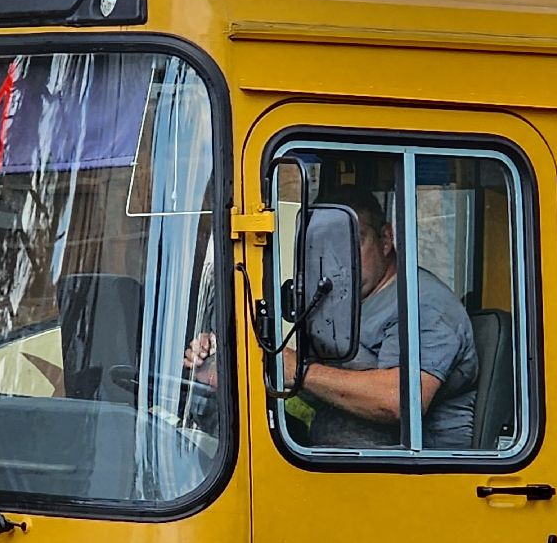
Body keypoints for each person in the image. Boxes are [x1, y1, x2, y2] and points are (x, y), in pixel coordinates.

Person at [185, 187, 477, 448]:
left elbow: (398, 401)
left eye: (353, 241)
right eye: (328, 247)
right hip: (335, 458)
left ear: (386, 239)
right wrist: (225, 363)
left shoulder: (424, 304)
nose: (340, 258)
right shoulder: (350, 300)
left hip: (411, 473)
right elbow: (326, 385)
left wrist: (294, 369)